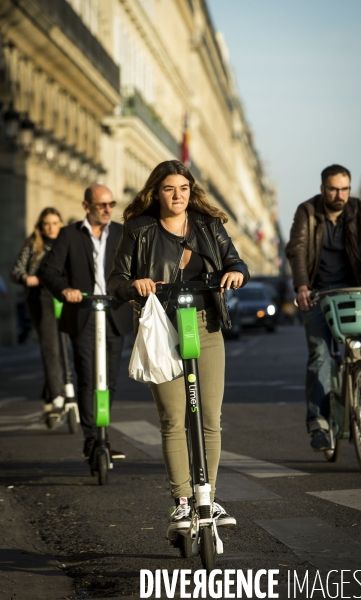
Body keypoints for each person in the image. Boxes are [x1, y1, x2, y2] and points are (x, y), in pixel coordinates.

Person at [108, 159, 249, 532]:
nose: (178, 196)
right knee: (173, 419)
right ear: (156, 192)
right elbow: (117, 280)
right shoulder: (138, 229)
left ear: (191, 191)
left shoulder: (208, 224)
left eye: (184, 188)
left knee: (209, 419)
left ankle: (208, 498)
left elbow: (236, 261)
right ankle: (183, 502)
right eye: (169, 189)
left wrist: (236, 271)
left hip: (206, 324)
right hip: (161, 328)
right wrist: (133, 285)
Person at [286, 164, 361, 451]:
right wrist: (301, 286)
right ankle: (319, 423)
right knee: (320, 354)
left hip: (354, 292)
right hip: (318, 293)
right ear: (323, 189)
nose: (340, 195)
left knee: (356, 348)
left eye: (345, 189)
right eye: (334, 189)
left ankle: (357, 381)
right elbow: (297, 249)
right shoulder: (307, 212)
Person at [40, 185, 133, 460]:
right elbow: (48, 270)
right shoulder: (69, 234)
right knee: (88, 378)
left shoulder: (120, 233)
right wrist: (64, 289)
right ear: (86, 206)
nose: (107, 210)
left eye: (111, 204)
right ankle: (91, 438)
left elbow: (136, 268)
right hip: (83, 313)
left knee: (110, 380)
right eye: (101, 205)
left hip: (114, 313)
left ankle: (102, 432)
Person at [11, 208, 65, 416]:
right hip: (39, 299)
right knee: (51, 346)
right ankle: (58, 394)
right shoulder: (34, 244)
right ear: (41, 227)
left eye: (55, 223)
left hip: (63, 298)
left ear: (61, 224)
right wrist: (26, 278)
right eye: (46, 224)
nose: (51, 228)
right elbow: (15, 271)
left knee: (62, 349)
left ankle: (49, 394)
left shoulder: (66, 243)